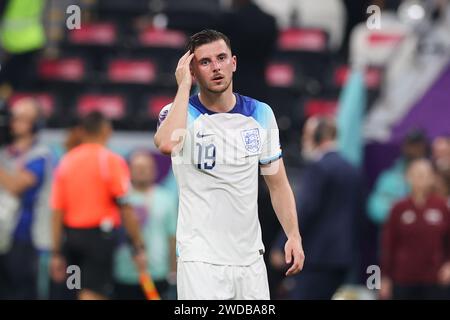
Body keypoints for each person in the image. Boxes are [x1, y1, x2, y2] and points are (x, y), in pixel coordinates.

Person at [154, 29, 304, 300]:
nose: (216, 68)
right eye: (205, 62)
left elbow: (278, 184)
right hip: (201, 260)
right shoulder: (178, 112)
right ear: (192, 70)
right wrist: (183, 87)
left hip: (250, 260)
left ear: (233, 63)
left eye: (221, 58)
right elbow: (166, 144)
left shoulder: (261, 114)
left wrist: (293, 234)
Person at [49, 111, 147, 300]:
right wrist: (138, 246)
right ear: (106, 130)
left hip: (71, 240)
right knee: (93, 294)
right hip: (98, 242)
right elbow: (125, 208)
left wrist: (56, 252)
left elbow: (56, 211)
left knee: (75, 289)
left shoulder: (66, 161)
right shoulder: (110, 161)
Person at [270, 116, 363, 299]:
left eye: (307, 135)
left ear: (318, 137)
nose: (304, 141)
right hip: (344, 258)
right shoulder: (353, 170)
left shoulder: (318, 168)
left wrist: (282, 245)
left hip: (317, 258)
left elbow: (305, 210)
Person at [0, 97, 52, 299]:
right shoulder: (5, 152)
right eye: (14, 117)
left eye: (23, 118)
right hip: (2, 232)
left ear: (35, 124)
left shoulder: (40, 155)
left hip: (23, 236)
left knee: (20, 292)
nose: (15, 122)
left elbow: (16, 185)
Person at [380, 159, 450, 300]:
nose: (420, 179)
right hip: (404, 279)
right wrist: (384, 278)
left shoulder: (441, 206)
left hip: (435, 279)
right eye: (416, 174)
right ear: (408, 177)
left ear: (432, 178)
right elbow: (388, 245)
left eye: (424, 175)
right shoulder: (398, 208)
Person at [114, 150, 177, 300]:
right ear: (129, 170)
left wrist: (173, 271)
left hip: (157, 273)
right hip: (123, 274)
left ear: (154, 171)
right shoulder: (120, 199)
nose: (142, 171)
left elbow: (172, 237)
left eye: (146, 167)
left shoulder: (166, 199)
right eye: (137, 168)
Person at [367, 129, 429, 225]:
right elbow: (376, 210)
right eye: (411, 145)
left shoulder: (434, 177)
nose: (414, 149)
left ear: (424, 148)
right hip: (396, 234)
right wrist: (405, 214)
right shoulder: (389, 178)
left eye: (418, 146)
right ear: (404, 146)